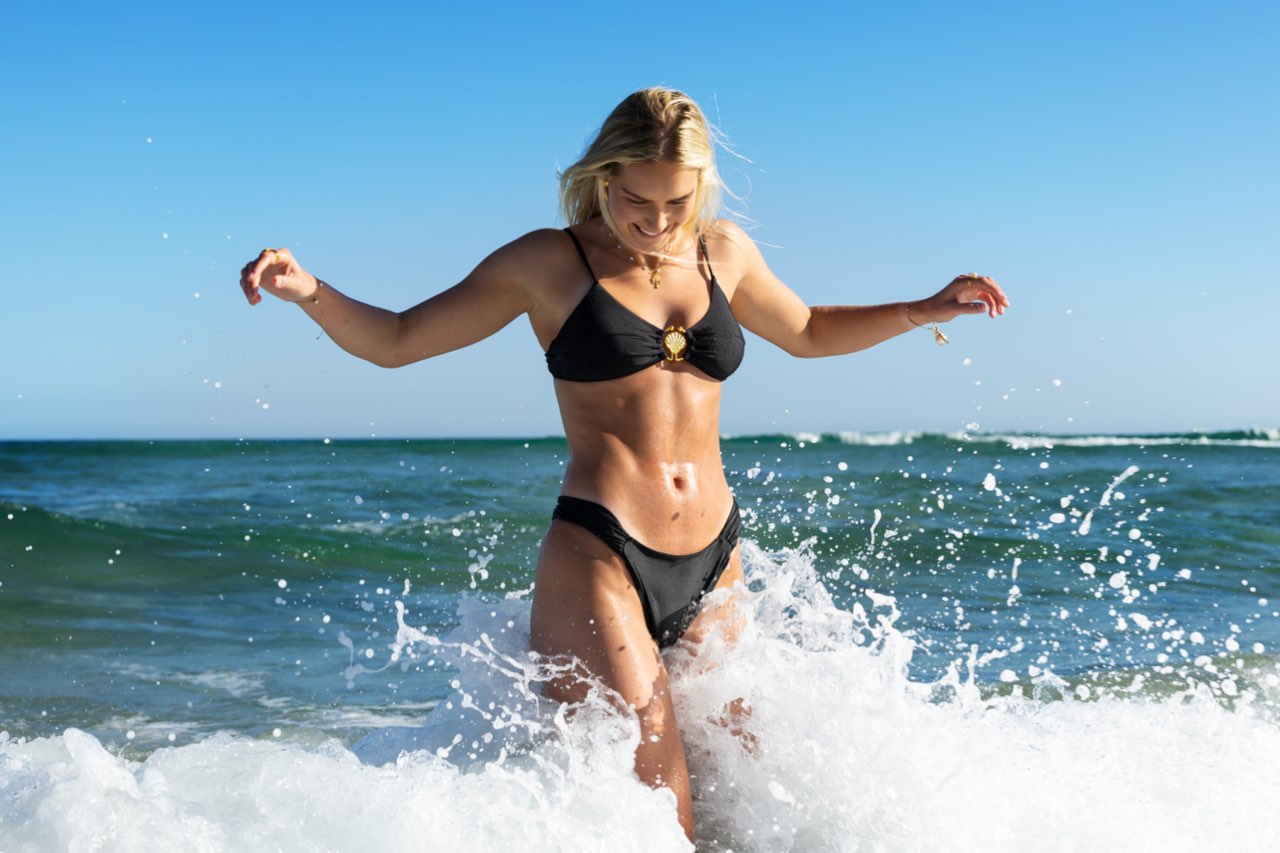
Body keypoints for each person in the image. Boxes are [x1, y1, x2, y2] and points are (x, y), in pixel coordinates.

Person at [238, 87, 1008, 841]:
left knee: (753, 787)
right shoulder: (549, 262)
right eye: (640, 200)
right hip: (603, 552)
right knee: (659, 792)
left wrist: (921, 309)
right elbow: (399, 340)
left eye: (678, 202)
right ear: (605, 177)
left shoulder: (723, 250)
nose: (658, 220)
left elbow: (806, 328)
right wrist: (309, 291)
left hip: (716, 558)